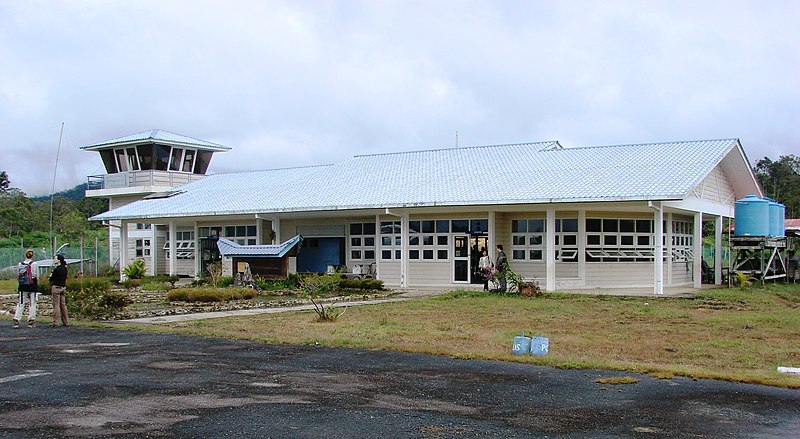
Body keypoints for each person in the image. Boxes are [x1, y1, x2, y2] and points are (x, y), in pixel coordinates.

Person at [14, 249, 40, 329]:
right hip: (32, 286)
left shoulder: (20, 264)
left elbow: (18, 275)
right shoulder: (34, 264)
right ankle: (31, 320)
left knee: (21, 302)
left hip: (22, 286)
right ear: (32, 255)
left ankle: (17, 319)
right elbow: (37, 276)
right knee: (32, 303)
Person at [49, 254, 69, 327]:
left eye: (55, 259)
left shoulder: (56, 269)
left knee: (56, 305)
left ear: (59, 260)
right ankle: (66, 321)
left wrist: (51, 275)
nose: (54, 260)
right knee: (63, 305)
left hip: (56, 287)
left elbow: (51, 278)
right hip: (63, 287)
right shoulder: (65, 268)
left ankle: (56, 321)